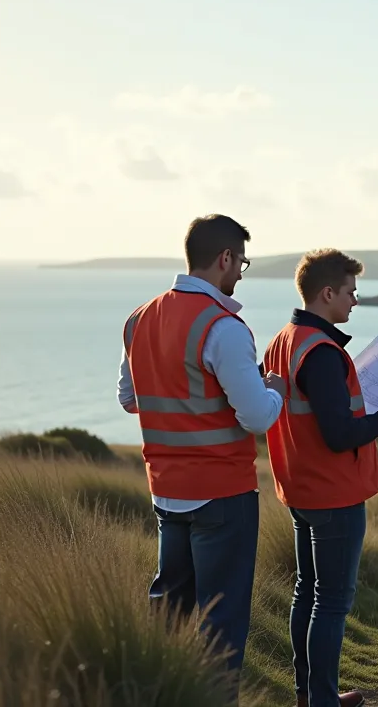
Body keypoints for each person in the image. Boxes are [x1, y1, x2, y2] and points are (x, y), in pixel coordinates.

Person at [117, 214, 285, 701]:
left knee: (168, 611)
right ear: (225, 259)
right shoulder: (224, 327)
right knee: (222, 621)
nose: (239, 274)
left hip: (167, 490)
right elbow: (255, 417)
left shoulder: (138, 318)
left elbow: (131, 399)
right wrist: (270, 389)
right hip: (222, 493)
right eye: (241, 263)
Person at [262, 248, 378, 707]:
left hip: (300, 487)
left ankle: (311, 697)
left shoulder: (284, 340)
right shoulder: (322, 353)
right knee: (330, 601)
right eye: (350, 292)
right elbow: (339, 434)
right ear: (327, 293)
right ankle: (321, 702)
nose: (354, 302)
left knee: (307, 592)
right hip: (333, 494)